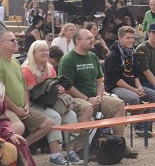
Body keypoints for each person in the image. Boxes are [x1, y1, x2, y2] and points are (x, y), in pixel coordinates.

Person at [58, 28, 138, 157]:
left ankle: (118, 145)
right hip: (74, 98)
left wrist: (99, 96)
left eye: (92, 37)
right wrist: (87, 99)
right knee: (87, 108)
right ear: (78, 41)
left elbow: (99, 81)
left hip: (95, 97)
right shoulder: (68, 59)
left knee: (118, 104)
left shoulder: (92, 56)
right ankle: (81, 149)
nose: (92, 40)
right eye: (89, 38)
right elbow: (67, 86)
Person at [22, 40, 82, 166]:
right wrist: (52, 88)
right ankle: (55, 155)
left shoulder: (50, 68)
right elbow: (32, 92)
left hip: (50, 102)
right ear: (33, 53)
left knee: (71, 115)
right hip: (35, 103)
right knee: (54, 117)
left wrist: (60, 89)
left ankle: (70, 151)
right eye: (41, 50)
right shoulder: (27, 70)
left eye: (47, 50)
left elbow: (55, 84)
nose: (45, 52)